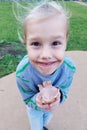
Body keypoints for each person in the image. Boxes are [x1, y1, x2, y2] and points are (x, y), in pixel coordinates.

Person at [16, 1, 76, 130]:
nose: (46, 55)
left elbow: (65, 92)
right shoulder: (23, 73)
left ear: (66, 41)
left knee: (46, 119)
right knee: (36, 124)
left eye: (55, 43)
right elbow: (27, 99)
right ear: (26, 43)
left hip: (52, 107)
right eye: (36, 44)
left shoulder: (69, 68)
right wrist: (37, 100)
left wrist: (58, 96)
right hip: (33, 107)